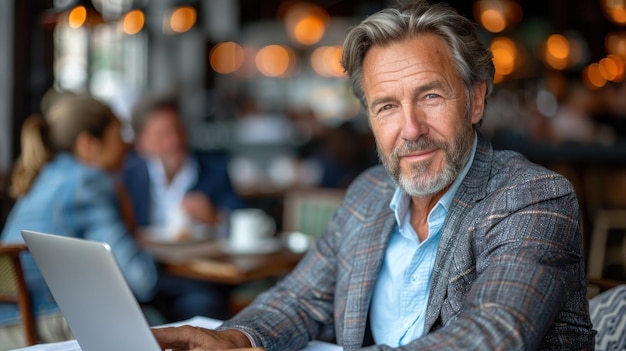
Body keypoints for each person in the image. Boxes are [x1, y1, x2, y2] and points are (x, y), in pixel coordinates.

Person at [153, 1, 595, 350]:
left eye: (431, 95)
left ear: (475, 101)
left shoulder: (532, 197)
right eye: (387, 106)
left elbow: (490, 337)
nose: (411, 129)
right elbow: (301, 299)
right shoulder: (367, 194)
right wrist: (233, 339)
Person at [0, 94, 158, 350]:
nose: (127, 145)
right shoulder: (86, 182)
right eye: (118, 134)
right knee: (157, 320)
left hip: (10, 317)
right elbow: (143, 280)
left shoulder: (46, 175)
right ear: (88, 144)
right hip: (37, 321)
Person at [121, 92, 245, 321]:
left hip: (198, 282)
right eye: (161, 135)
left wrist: (216, 217)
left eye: (177, 129)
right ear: (141, 144)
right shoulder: (128, 175)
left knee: (203, 306)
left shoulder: (214, 169)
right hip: (145, 276)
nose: (173, 141)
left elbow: (242, 222)